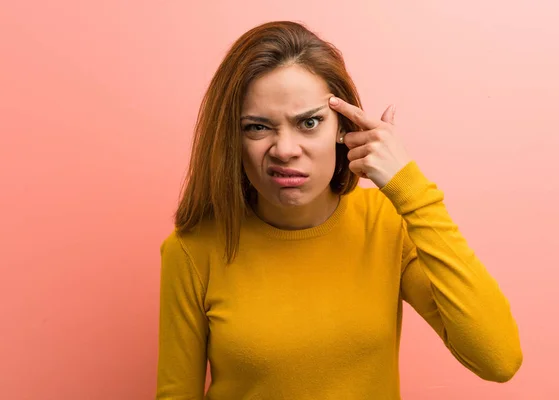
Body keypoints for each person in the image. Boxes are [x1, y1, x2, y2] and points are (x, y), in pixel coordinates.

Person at [156, 20, 522, 399]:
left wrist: (409, 188)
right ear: (233, 136)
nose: (285, 150)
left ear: (342, 128)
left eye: (309, 122)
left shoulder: (385, 224)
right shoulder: (192, 250)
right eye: (257, 127)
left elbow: (498, 358)